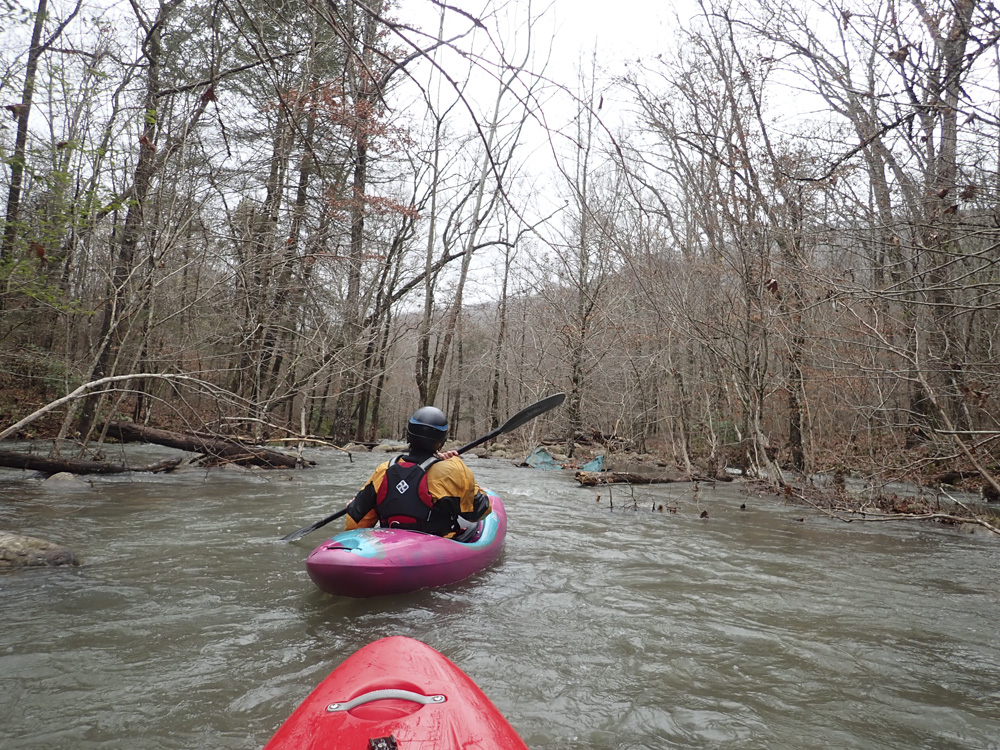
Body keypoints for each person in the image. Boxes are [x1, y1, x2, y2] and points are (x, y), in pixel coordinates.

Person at [344, 406, 492, 539]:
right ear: (441, 442)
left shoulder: (384, 469)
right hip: (434, 546)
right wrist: (460, 468)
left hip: (390, 544)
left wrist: (354, 505)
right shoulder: (451, 471)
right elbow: (479, 511)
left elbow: (355, 524)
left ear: (408, 435)